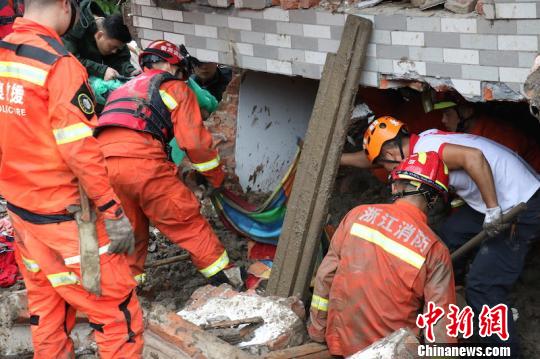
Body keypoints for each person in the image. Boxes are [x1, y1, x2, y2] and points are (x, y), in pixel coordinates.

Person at [0, 0, 143, 356]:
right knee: (117, 315)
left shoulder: (4, 54)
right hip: (68, 219)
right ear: (65, 5)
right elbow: (79, 151)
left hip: (23, 213)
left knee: (47, 311)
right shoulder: (59, 65)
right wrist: (113, 210)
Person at [344, 116, 540, 355]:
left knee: (483, 287)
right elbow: (370, 160)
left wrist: (492, 209)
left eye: (383, 165)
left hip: (520, 204)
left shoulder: (431, 150)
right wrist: (339, 158)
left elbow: (474, 158)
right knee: (446, 240)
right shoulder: (419, 144)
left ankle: (505, 351)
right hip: (493, 199)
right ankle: (446, 299)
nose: (387, 172)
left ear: (392, 152)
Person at [95, 40, 242, 288]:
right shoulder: (174, 88)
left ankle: (129, 291)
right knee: (186, 221)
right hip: (142, 165)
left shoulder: (124, 89)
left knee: (131, 231)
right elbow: (194, 143)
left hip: (103, 167)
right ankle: (227, 281)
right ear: (174, 66)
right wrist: (215, 178)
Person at [309, 152, 456, 356]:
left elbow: (325, 278)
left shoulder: (357, 215)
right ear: (433, 200)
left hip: (341, 345)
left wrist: (317, 333)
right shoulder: (435, 250)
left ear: (396, 187)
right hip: (390, 353)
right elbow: (440, 323)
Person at [435, 100, 540, 172]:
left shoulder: (498, 134)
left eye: (448, 114)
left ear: (467, 112)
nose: (443, 120)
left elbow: (509, 170)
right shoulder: (469, 134)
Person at [62, 0, 137, 80]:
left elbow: (120, 58)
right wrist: (102, 71)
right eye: (112, 47)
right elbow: (71, 60)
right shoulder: (74, 28)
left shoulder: (113, 32)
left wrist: (130, 71)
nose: (114, 51)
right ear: (99, 35)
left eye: (117, 48)